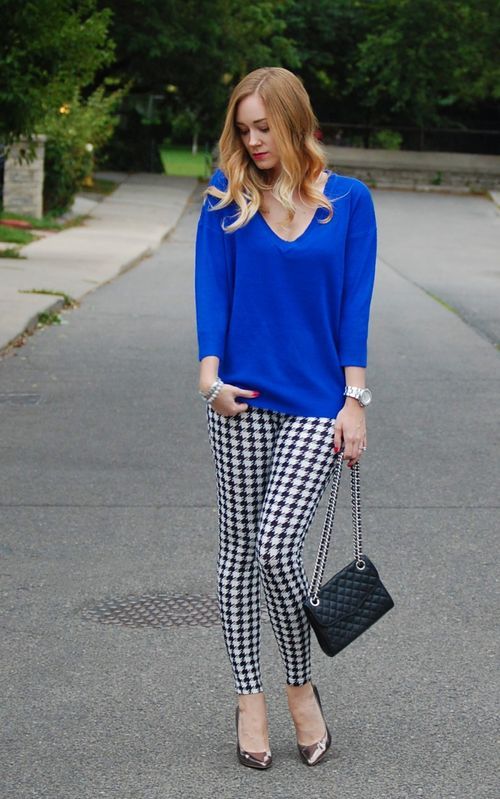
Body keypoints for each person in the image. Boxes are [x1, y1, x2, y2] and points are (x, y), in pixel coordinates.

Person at [194, 66, 377, 768]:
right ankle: (250, 696)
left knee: (276, 545)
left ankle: (300, 684)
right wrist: (209, 376)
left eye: (264, 126)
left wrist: (354, 400)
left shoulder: (349, 201)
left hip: (315, 403)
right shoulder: (227, 194)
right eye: (244, 129)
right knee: (239, 552)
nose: (253, 140)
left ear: (295, 121)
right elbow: (213, 286)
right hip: (238, 401)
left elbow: (353, 304)